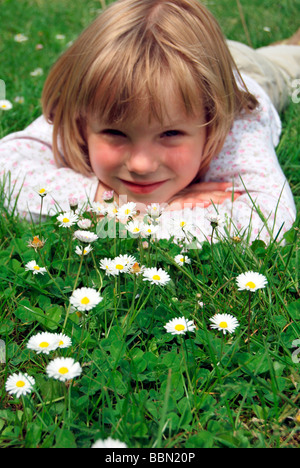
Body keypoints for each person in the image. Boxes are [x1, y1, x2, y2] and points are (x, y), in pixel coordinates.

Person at [0, 0, 299, 244]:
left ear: (212, 123)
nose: (141, 165)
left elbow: (271, 219)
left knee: (289, 60)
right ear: (80, 121)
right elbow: (5, 172)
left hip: (253, 76)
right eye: (116, 133)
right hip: (197, 62)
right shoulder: (95, 98)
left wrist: (130, 217)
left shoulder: (236, 122)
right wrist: (124, 206)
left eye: (170, 133)